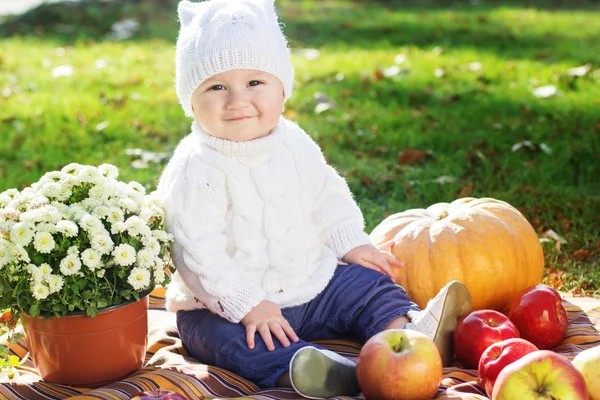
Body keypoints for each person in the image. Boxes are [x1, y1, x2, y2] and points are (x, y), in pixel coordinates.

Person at [157, 0, 472, 398]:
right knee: (226, 340)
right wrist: (247, 303)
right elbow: (194, 250)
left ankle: (408, 335)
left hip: (310, 282)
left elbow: (325, 194)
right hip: (225, 306)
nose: (237, 100)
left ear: (282, 88)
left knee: (367, 286)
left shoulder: (293, 142)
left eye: (255, 83)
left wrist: (349, 242)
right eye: (217, 86)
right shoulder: (197, 166)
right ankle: (310, 369)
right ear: (190, 99)